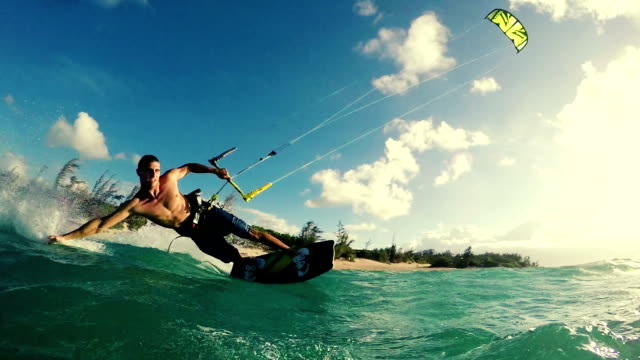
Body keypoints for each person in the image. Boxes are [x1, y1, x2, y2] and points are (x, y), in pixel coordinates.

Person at [48, 155, 293, 264]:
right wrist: (64, 237)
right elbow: (101, 224)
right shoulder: (136, 205)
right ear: (139, 173)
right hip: (196, 232)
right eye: (148, 171)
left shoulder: (169, 178)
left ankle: (294, 253)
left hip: (207, 212)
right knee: (233, 258)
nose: (154, 175)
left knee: (252, 234)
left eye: (156, 170)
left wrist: (214, 171)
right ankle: (252, 265)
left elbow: (188, 167)